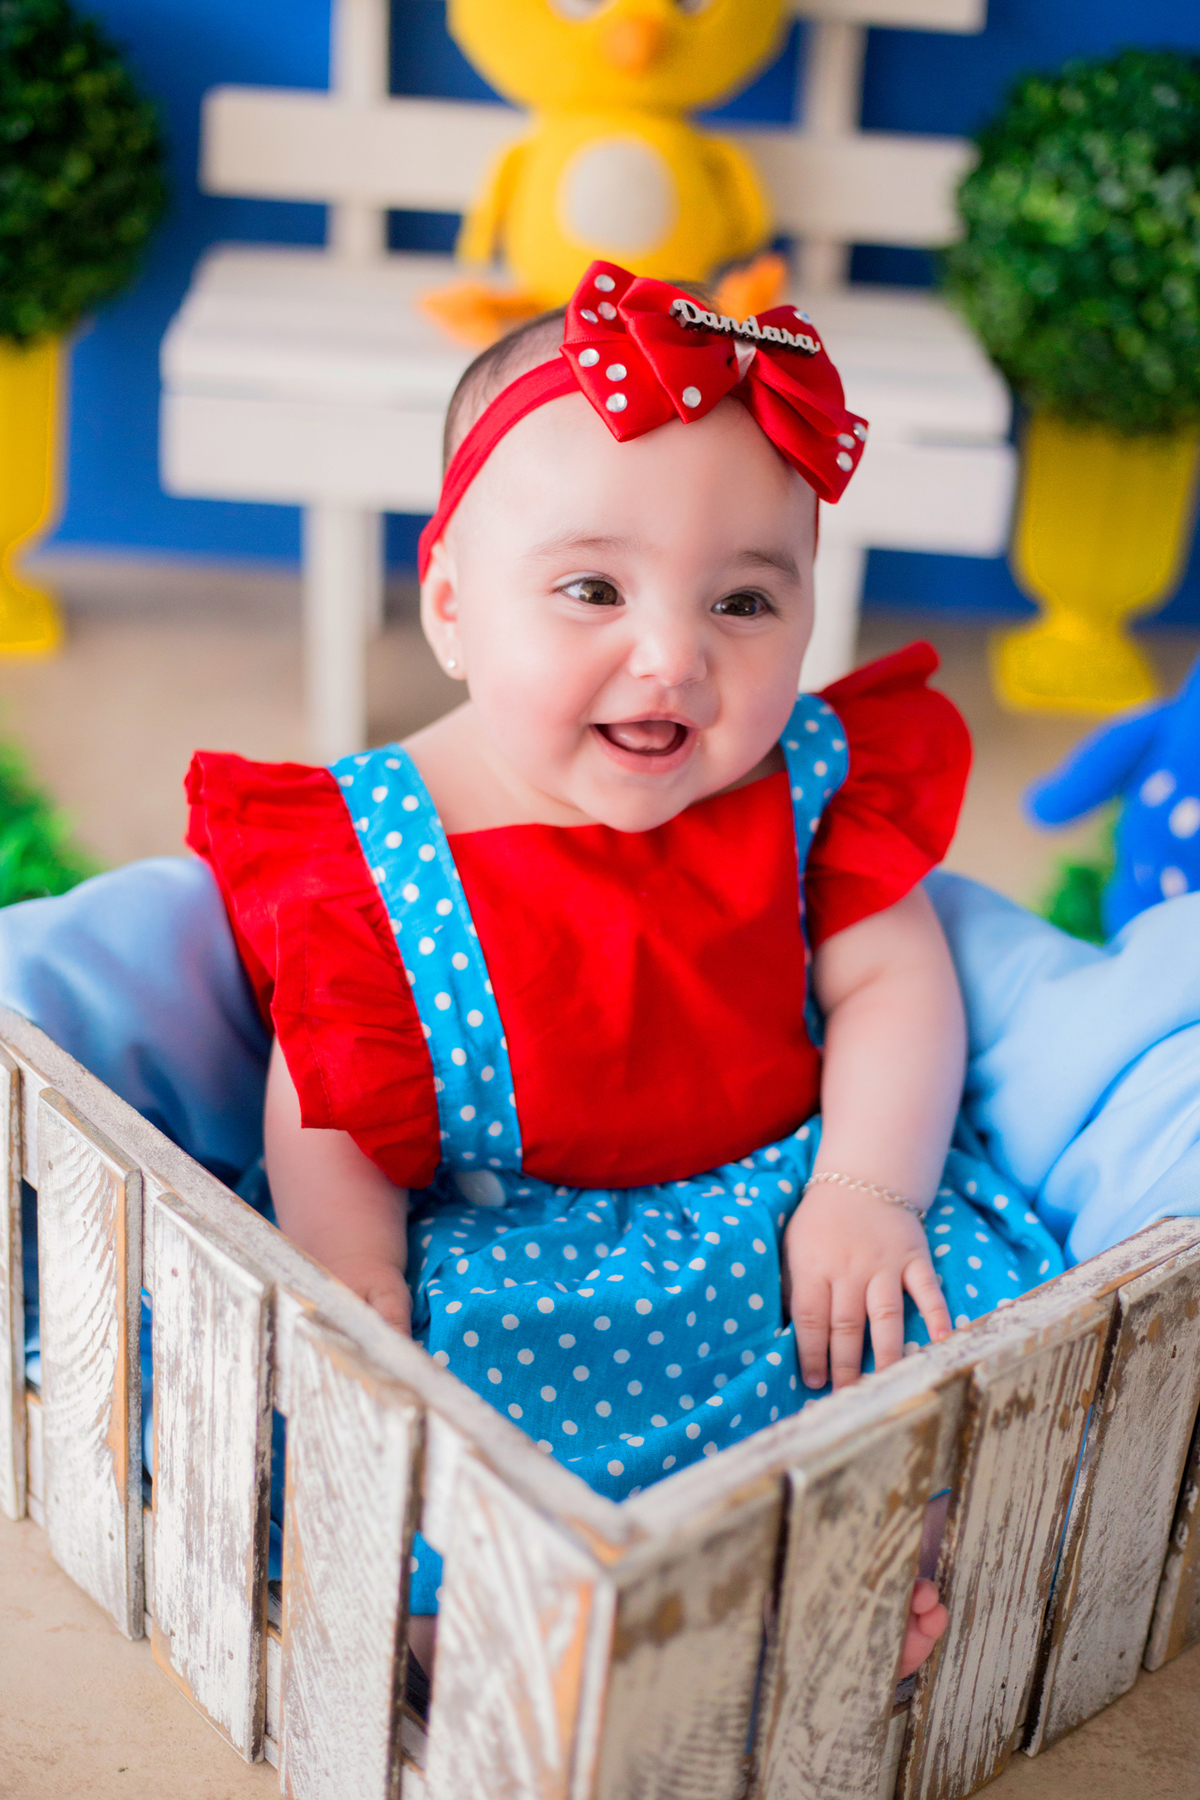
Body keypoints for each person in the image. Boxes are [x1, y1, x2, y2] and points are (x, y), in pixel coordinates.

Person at [185, 262, 1065, 1679]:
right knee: (460, 1423)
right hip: (516, 1245)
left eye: (745, 604)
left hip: (788, 1210)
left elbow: (895, 988)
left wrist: (865, 1187)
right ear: (455, 604)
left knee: (937, 1327)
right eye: (592, 589)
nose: (672, 659)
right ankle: (479, 1636)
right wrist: (355, 1275)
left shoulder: (806, 789)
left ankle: (867, 1561)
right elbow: (329, 1079)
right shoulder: (380, 841)